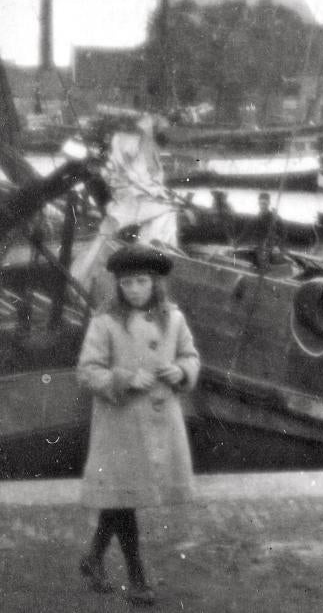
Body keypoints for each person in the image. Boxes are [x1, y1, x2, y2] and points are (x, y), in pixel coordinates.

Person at [76, 243, 200, 607]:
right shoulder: (105, 322)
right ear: (118, 285)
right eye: (127, 283)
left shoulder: (174, 319)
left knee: (121, 497)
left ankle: (94, 558)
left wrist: (182, 371)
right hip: (121, 425)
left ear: (155, 283)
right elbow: (87, 371)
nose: (133, 289)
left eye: (141, 281)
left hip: (161, 424)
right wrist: (124, 379)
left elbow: (189, 356)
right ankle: (137, 577)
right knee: (123, 497)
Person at [249, 191, 285, 270]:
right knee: (256, 264)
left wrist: (277, 245)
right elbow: (249, 231)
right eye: (260, 203)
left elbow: (282, 233)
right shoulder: (257, 216)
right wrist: (238, 242)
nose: (262, 206)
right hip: (259, 247)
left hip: (270, 248)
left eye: (264, 203)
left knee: (266, 264)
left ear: (268, 204)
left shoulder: (274, 217)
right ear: (258, 204)